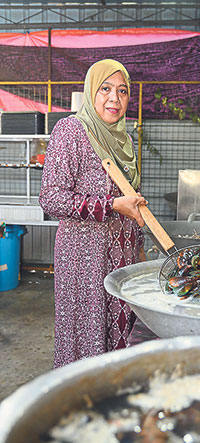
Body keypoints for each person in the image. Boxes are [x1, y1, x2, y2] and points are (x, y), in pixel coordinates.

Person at [39, 59, 148, 369]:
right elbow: (51, 198)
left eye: (123, 91)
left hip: (122, 258)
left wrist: (138, 245)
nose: (114, 99)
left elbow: (129, 199)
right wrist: (111, 206)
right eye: (105, 89)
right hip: (83, 260)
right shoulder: (71, 130)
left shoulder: (125, 141)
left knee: (120, 341)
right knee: (86, 341)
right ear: (91, 91)